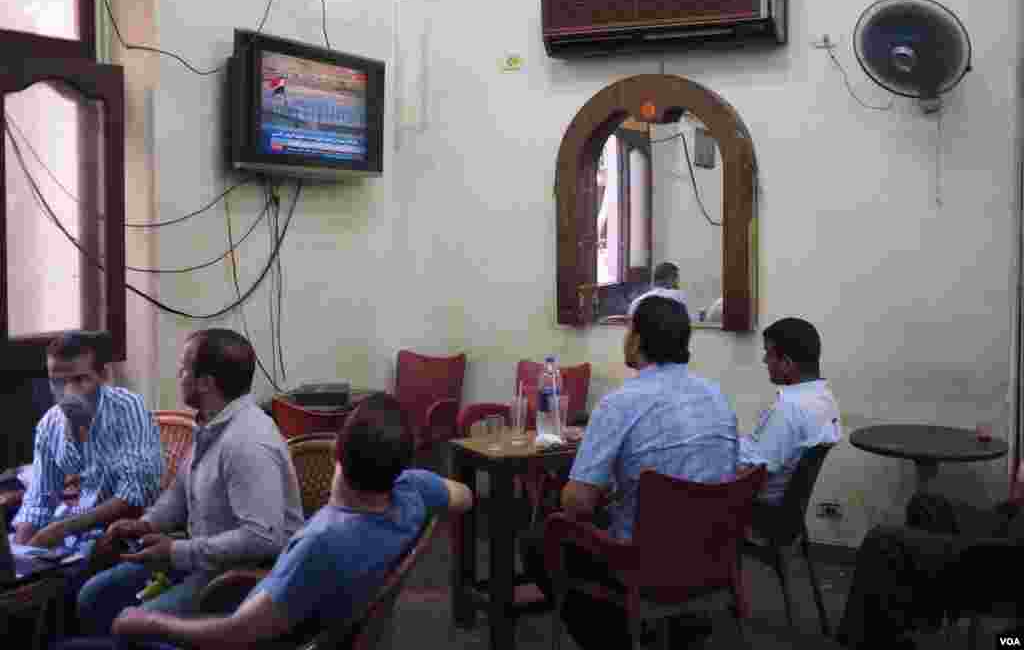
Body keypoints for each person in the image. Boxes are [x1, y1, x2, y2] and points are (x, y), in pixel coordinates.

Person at [60, 393, 474, 650]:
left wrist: (146, 621)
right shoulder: (414, 493)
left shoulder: (322, 544)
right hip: (291, 609)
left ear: (338, 456)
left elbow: (235, 634)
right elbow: (466, 496)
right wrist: (410, 478)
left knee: (88, 635)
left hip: (267, 633)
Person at [521, 295, 738, 650]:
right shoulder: (716, 396)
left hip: (643, 562)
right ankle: (673, 630)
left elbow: (577, 504)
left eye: (627, 331)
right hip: (711, 556)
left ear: (637, 340)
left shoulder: (620, 403)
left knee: (538, 540)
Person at [76, 328, 305, 635]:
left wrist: (176, 551)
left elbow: (263, 538)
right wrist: (145, 524)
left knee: (136, 626)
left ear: (206, 383)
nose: (178, 375)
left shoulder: (247, 441)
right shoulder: (211, 423)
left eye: (184, 369)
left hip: (238, 579)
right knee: (93, 596)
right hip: (201, 561)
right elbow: (179, 495)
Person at [12, 331, 162, 550]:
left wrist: (63, 528)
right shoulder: (49, 424)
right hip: (81, 531)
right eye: (58, 382)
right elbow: (39, 500)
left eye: (80, 379)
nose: (68, 392)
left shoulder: (128, 408)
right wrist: (19, 554)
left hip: (134, 531)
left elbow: (133, 494)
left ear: (103, 376)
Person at [836, 479, 1024, 649]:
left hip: (1012, 554)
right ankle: (919, 613)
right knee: (924, 504)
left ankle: (881, 637)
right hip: (1011, 521)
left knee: (882, 543)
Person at [739, 317, 841, 503]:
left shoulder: (789, 409)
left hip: (756, 507)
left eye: (768, 354)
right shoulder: (824, 398)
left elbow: (751, 474)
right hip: (782, 503)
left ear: (786, 363)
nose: (764, 360)